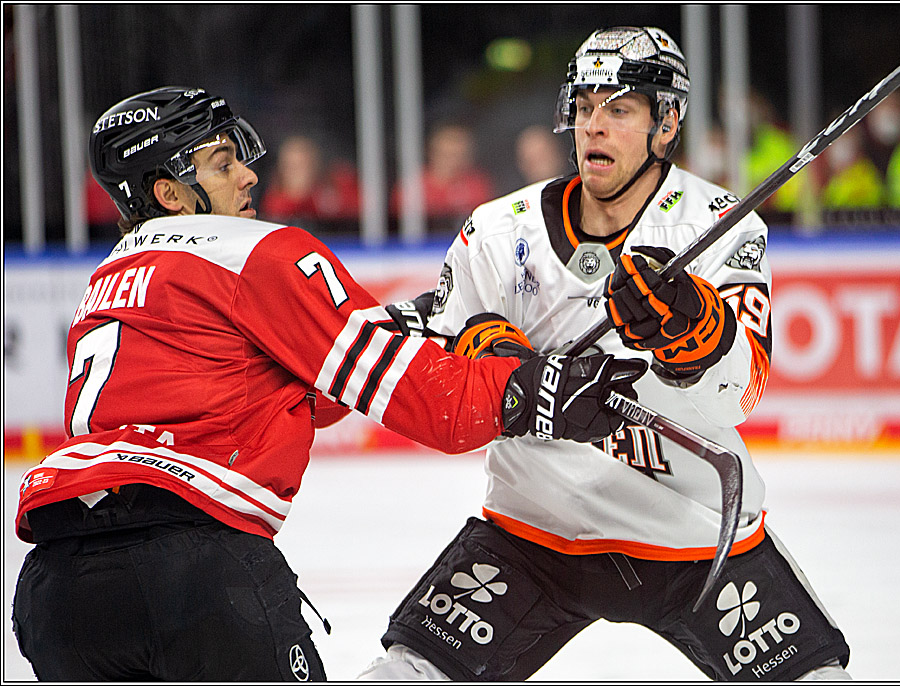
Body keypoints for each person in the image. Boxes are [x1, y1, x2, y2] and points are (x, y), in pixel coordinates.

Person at [10, 86, 648, 682]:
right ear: (172, 193)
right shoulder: (251, 250)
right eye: (223, 161)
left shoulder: (110, 279)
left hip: (56, 590)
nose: (249, 174)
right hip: (193, 573)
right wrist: (531, 389)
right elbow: (436, 408)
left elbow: (287, 394)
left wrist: (401, 325)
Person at [359, 27, 851, 681]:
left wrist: (693, 329)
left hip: (695, 535)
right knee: (403, 674)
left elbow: (743, 390)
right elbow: (453, 372)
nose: (594, 126)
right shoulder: (499, 231)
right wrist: (511, 373)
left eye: (618, 109)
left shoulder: (721, 226)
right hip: (533, 530)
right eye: (586, 107)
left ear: (665, 123)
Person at [390, 123, 495, 228]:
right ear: (432, 153)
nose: (453, 161)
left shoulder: (476, 184)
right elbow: (398, 225)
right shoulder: (413, 186)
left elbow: (486, 222)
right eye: (447, 155)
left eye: (458, 155)